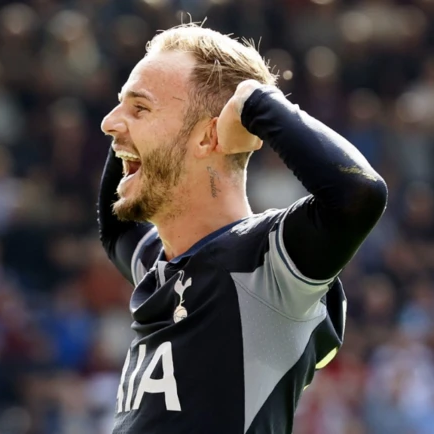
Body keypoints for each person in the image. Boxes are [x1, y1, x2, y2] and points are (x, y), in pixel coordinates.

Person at [97, 24, 387, 434]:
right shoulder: (159, 265)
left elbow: (358, 193)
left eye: (140, 108)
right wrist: (130, 131)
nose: (108, 123)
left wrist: (253, 100)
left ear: (208, 136)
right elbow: (114, 228)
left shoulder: (265, 268)